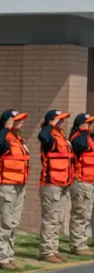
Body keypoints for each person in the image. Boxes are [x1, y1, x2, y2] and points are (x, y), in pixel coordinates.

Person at [0, 109, 30, 269]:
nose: (22, 122)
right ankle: (2, 258)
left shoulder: (18, 139)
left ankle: (9, 255)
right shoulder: (3, 138)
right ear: (9, 122)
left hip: (19, 186)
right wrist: (6, 128)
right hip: (6, 186)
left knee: (13, 223)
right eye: (18, 120)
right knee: (4, 223)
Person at [37, 109, 73, 263]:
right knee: (50, 219)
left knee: (58, 219)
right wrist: (49, 125)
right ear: (52, 121)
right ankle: (46, 251)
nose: (63, 122)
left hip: (63, 183)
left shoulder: (61, 137)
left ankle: (53, 249)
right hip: (51, 183)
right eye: (60, 120)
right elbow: (42, 136)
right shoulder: (49, 136)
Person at [68, 113, 94, 255]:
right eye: (89, 123)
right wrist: (84, 130)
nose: (92, 126)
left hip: (89, 182)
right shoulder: (78, 138)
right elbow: (80, 146)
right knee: (80, 214)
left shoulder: (89, 138)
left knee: (86, 214)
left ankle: (82, 242)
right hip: (81, 182)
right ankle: (77, 245)